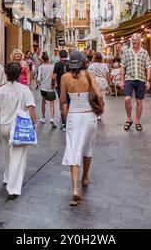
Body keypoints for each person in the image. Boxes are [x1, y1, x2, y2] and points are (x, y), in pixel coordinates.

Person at [0, 63, 37, 200]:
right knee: (18, 159)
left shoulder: (1, 90)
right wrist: (34, 123)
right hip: (18, 127)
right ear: (20, 73)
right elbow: (31, 108)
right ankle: (13, 189)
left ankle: (7, 177)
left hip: (4, 127)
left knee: (7, 155)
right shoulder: (25, 90)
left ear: (6, 74)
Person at [60, 51, 103, 206]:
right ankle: (85, 178)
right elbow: (99, 95)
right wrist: (101, 109)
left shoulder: (65, 78)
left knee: (73, 149)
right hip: (90, 116)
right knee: (87, 148)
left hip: (74, 116)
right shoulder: (89, 74)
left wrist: (65, 118)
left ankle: (75, 189)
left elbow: (63, 102)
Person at [120, 33, 151, 132]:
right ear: (131, 41)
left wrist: (148, 81)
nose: (135, 41)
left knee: (139, 101)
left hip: (141, 79)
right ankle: (129, 119)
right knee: (127, 99)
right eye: (133, 39)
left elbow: (148, 67)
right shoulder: (126, 52)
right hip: (129, 78)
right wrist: (121, 81)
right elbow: (122, 67)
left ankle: (138, 121)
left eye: (136, 39)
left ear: (140, 40)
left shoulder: (144, 52)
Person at [88, 52, 110, 119]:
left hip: (94, 82)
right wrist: (108, 83)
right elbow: (107, 75)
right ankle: (100, 113)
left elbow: (88, 75)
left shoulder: (91, 66)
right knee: (102, 97)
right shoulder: (104, 65)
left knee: (94, 97)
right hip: (102, 82)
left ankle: (94, 111)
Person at [37, 53, 57, 128]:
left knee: (43, 102)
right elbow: (54, 76)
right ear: (48, 59)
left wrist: (39, 84)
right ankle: (52, 118)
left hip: (43, 88)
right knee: (52, 104)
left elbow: (39, 78)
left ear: (42, 59)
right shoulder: (52, 66)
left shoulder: (41, 67)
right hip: (50, 87)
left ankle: (43, 117)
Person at [52, 49, 69, 130]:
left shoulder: (57, 64)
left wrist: (53, 84)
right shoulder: (70, 63)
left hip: (60, 86)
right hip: (70, 86)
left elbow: (54, 76)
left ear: (59, 56)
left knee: (62, 103)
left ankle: (64, 122)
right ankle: (68, 119)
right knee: (68, 102)